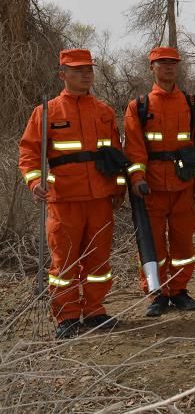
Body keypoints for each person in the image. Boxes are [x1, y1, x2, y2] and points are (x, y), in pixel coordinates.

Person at [19, 49, 126, 338]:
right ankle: (66, 316)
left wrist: (119, 187)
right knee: (64, 261)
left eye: (89, 70)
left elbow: (114, 154)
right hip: (64, 199)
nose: (85, 75)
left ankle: (94, 311)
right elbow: (29, 152)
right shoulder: (46, 112)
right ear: (62, 75)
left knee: (98, 260)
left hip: (100, 199)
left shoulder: (104, 111)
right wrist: (35, 181)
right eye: (78, 70)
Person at [124, 47, 195, 316]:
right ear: (152, 67)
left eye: (173, 63)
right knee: (154, 245)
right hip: (152, 189)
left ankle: (179, 290)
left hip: (183, 186)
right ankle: (156, 293)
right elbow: (134, 149)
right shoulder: (138, 106)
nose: (169, 68)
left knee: (184, 243)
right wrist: (137, 179)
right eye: (163, 63)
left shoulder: (192, 103)